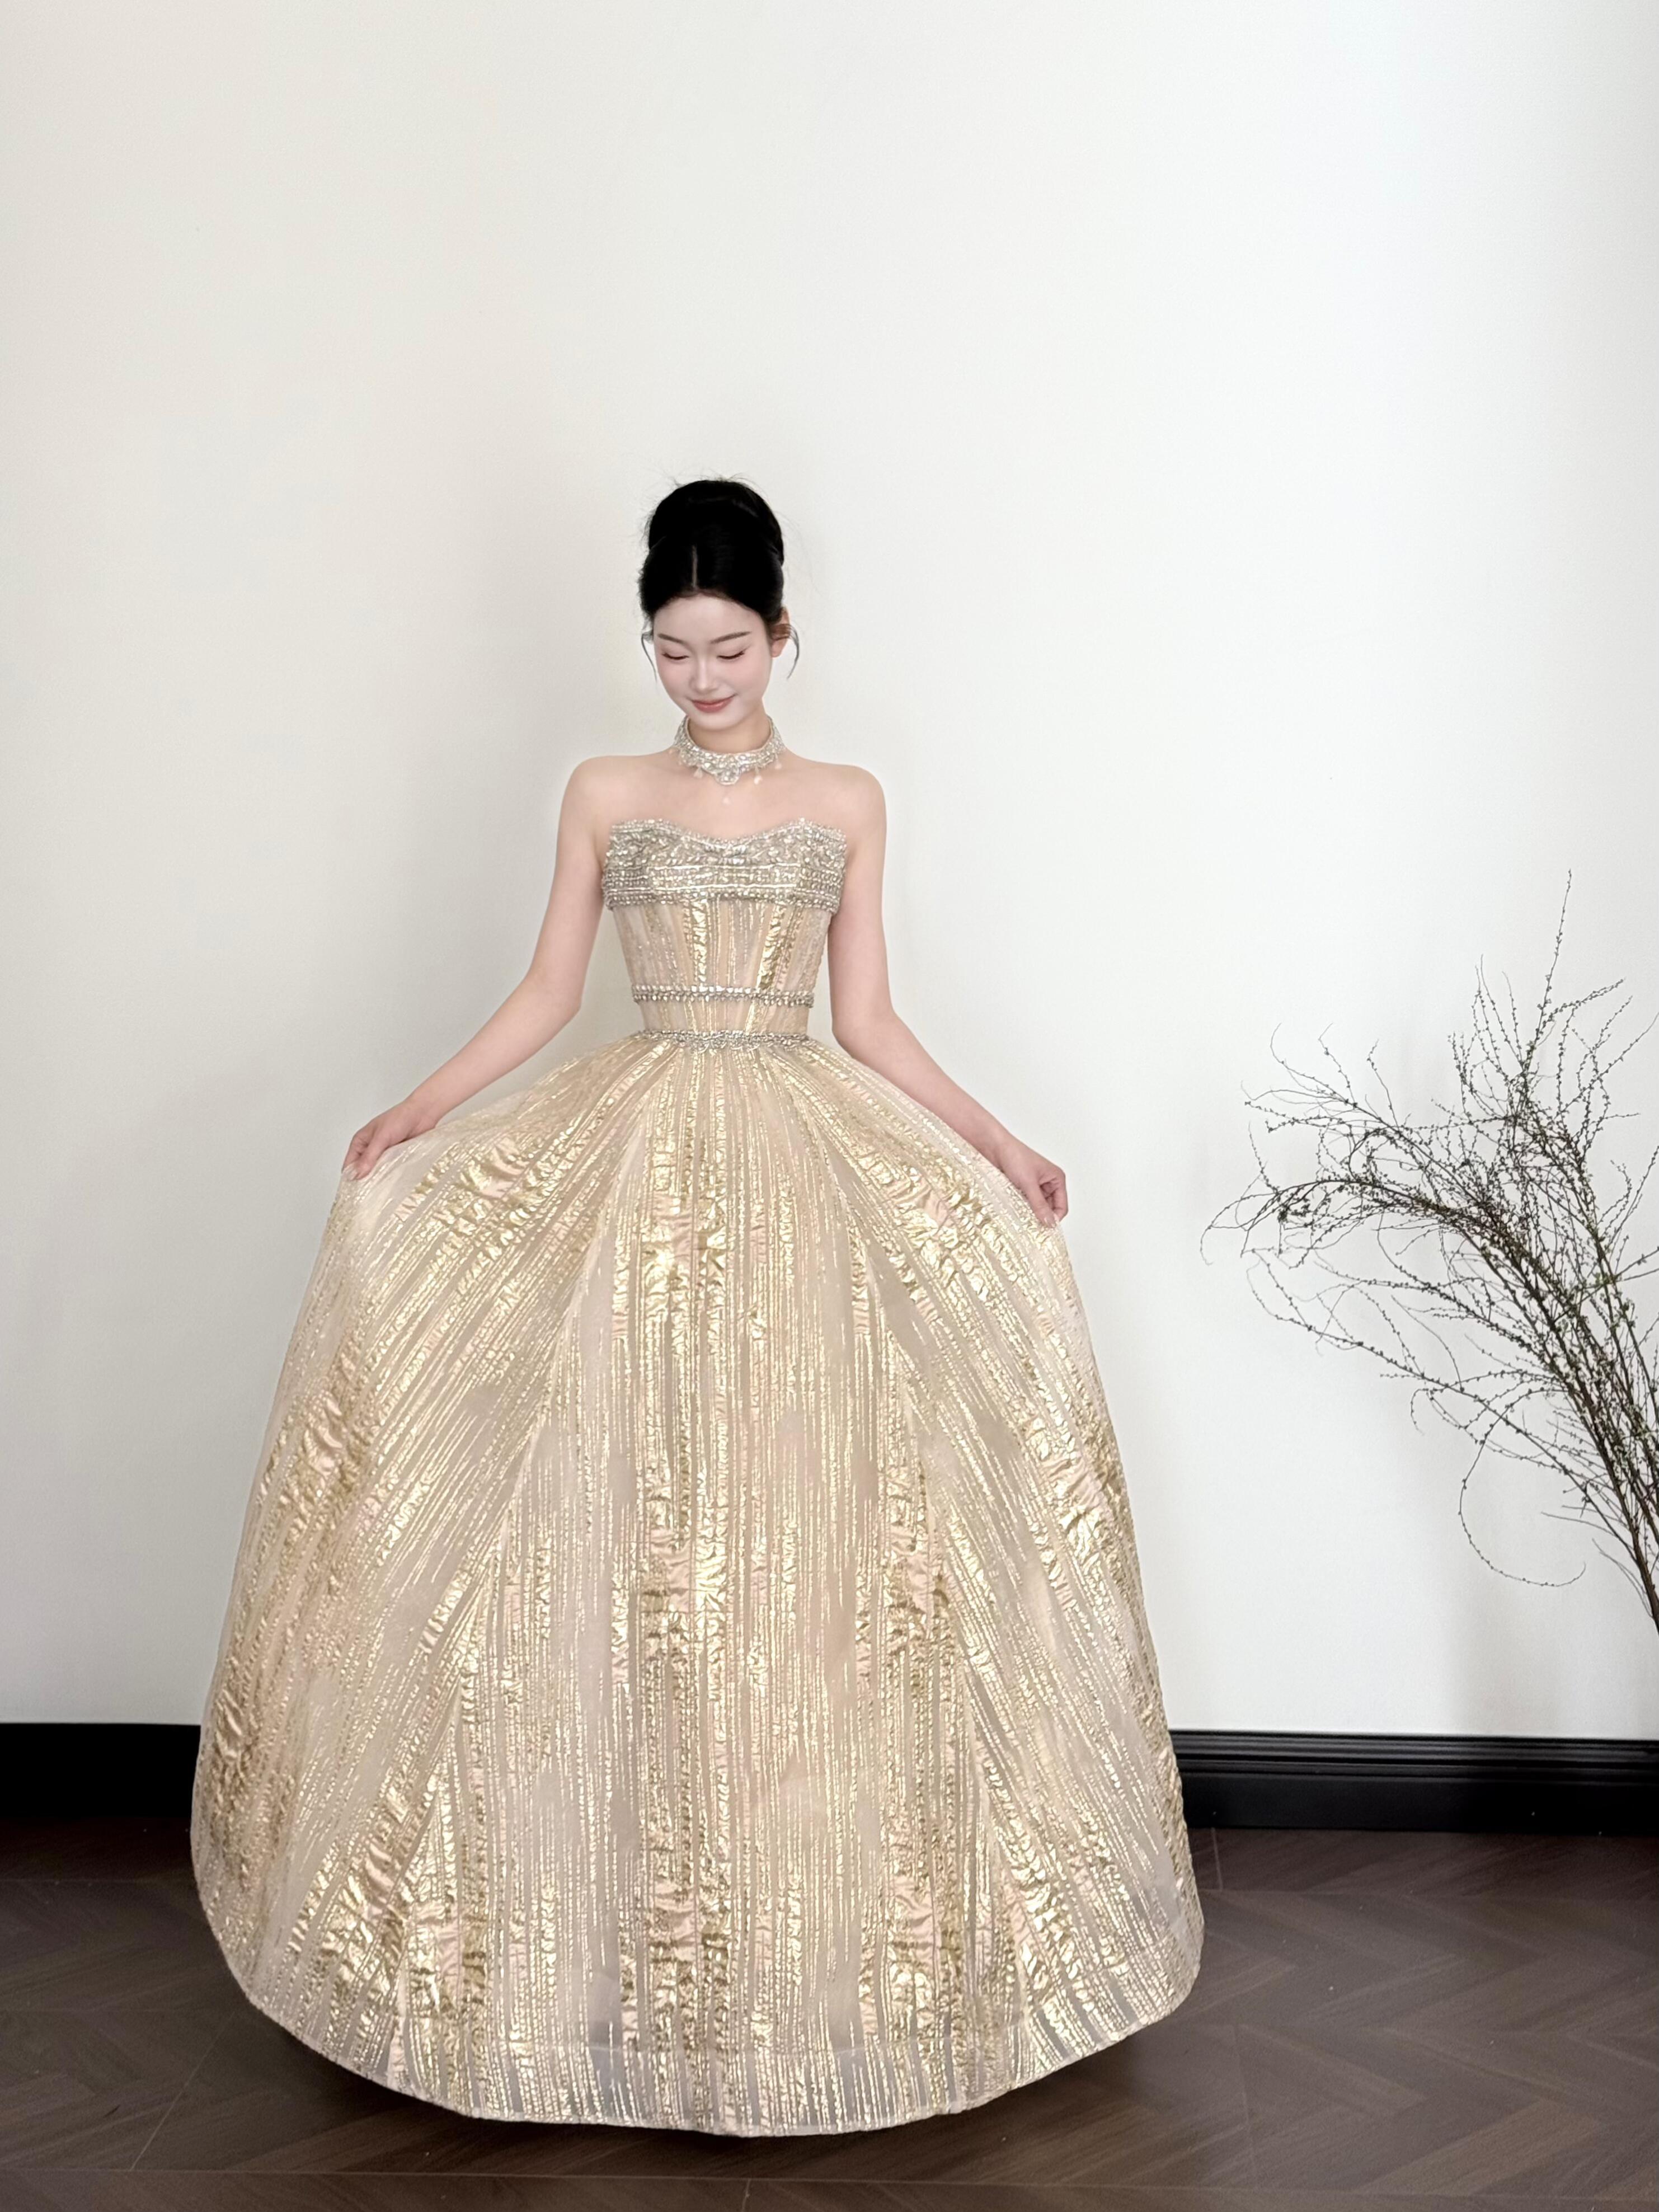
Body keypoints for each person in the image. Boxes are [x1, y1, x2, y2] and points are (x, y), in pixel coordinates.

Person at [190, 478, 1204, 2135]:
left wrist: (1002, 1146)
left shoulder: (849, 800)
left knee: (809, 1540)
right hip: (634, 1164)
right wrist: (421, 1112)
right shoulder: (605, 790)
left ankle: (813, 1974)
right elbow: (549, 990)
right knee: (603, 1525)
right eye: (672, 650)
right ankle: (588, 1966)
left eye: (729, 648)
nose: (702, 679)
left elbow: (870, 1020)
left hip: (804, 1162)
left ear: (784, 634)